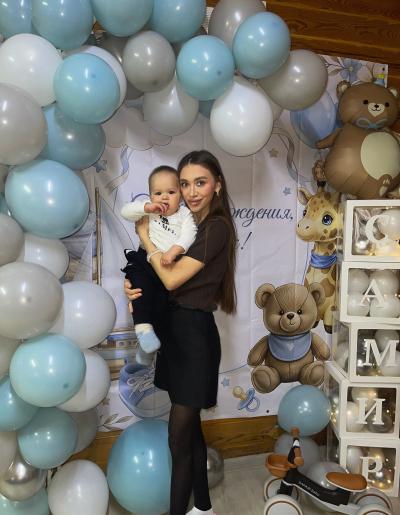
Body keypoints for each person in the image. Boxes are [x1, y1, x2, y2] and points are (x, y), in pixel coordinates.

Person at [124, 150, 237, 515]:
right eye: (185, 184)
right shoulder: (185, 224)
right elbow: (160, 281)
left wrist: (145, 238)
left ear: (217, 185)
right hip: (175, 334)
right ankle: (203, 508)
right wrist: (135, 288)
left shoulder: (216, 227)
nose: (191, 191)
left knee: (177, 438)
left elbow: (171, 278)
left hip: (194, 339)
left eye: (200, 182)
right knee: (190, 433)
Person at [120, 165, 197, 365]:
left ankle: (148, 349)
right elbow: (125, 212)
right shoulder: (148, 211)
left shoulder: (184, 215)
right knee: (139, 294)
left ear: (180, 195)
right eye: (158, 193)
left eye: (171, 192)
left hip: (167, 266)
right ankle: (143, 331)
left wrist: (174, 251)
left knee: (161, 307)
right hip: (144, 261)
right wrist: (146, 208)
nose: (164, 198)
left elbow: (189, 235)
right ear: (150, 195)